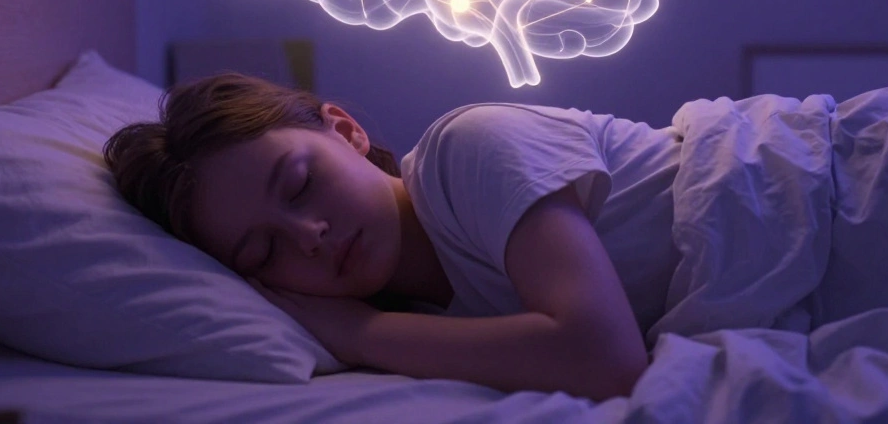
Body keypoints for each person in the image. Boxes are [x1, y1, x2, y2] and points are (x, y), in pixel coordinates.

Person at [103, 72, 665, 401]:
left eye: (300, 185)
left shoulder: (469, 149)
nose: (309, 237)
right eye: (264, 250)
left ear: (346, 132)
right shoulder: (423, 323)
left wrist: (360, 332)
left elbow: (606, 361)